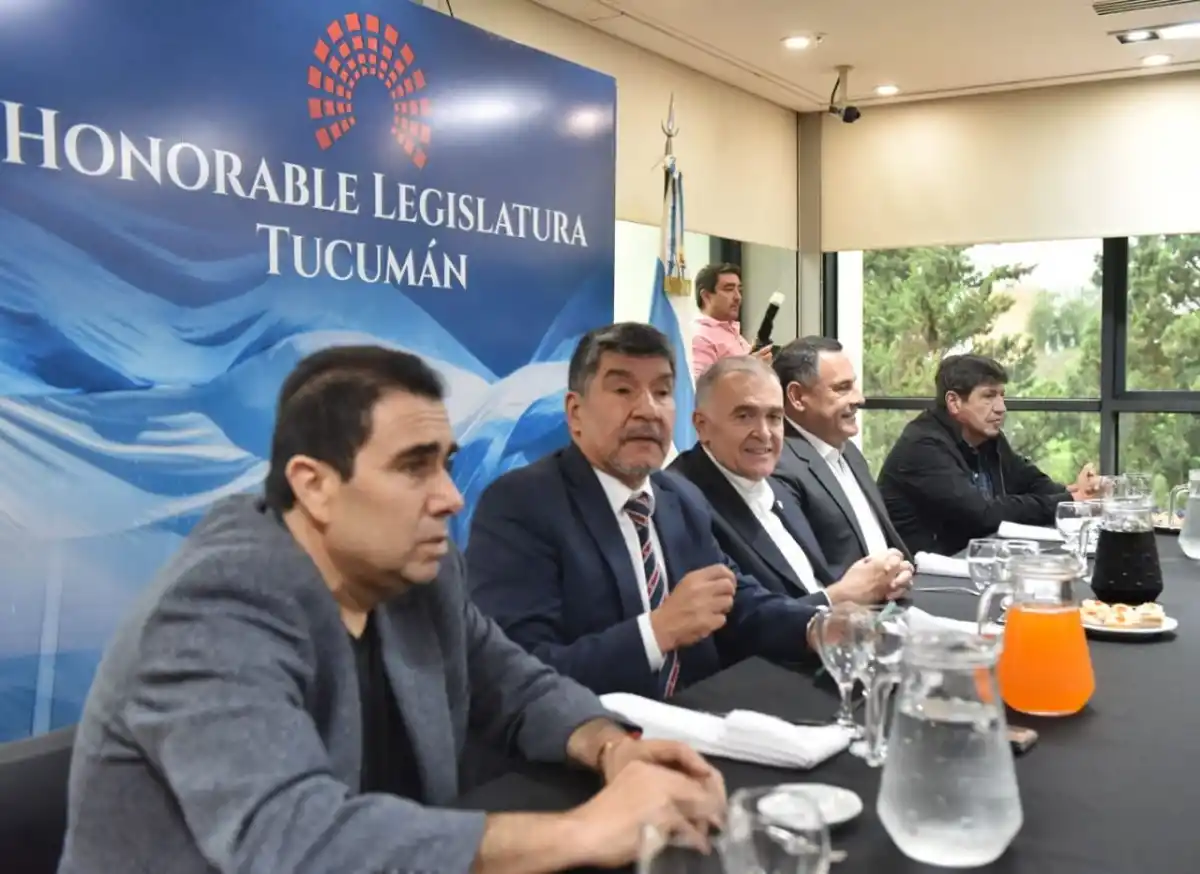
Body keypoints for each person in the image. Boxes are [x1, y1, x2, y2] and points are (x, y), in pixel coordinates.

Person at [58, 346, 727, 874]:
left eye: (446, 465)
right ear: (314, 486)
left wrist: (612, 748)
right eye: (414, 467)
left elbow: (516, 685)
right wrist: (583, 831)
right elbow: (291, 839)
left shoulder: (413, 571)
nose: (450, 498)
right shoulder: (217, 604)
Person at [466, 323, 822, 700]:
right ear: (575, 413)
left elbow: (737, 601)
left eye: (663, 392)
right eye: (623, 390)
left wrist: (820, 627)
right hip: (597, 729)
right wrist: (657, 632)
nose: (648, 410)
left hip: (705, 716)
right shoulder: (520, 506)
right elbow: (517, 675)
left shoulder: (680, 498)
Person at [668, 356, 913, 606]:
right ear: (702, 426)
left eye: (774, 417)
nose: (764, 433)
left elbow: (812, 582)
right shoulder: (678, 501)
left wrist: (881, 580)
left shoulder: (773, 482)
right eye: (744, 416)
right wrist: (841, 596)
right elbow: (741, 619)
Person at [877, 353, 1101, 556]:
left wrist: (1073, 493)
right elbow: (982, 514)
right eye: (989, 396)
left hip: (974, 558)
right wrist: (1067, 502)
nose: (1001, 407)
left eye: (1002, 396)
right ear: (954, 402)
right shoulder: (922, 447)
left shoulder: (987, 437)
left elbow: (1030, 481)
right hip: (925, 574)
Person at [771, 337, 912, 575]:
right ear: (797, 397)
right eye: (842, 388)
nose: (859, 399)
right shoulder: (779, 465)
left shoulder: (850, 452)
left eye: (853, 386)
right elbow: (805, 574)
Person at [691, 263, 773, 378]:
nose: (738, 297)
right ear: (706, 296)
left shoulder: (731, 331)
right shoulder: (700, 338)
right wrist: (750, 367)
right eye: (729, 289)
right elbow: (701, 385)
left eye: (739, 290)